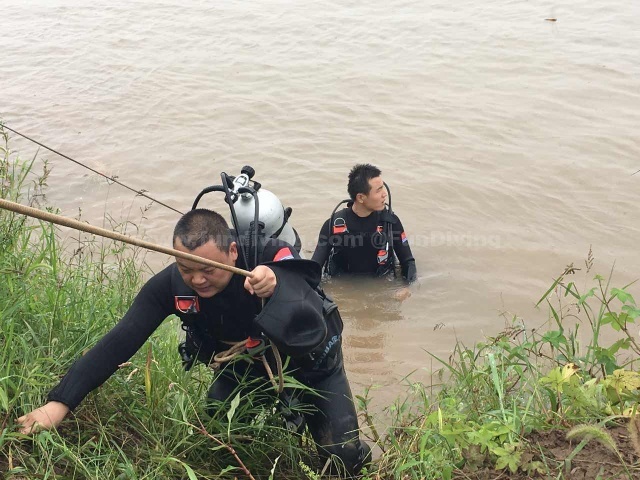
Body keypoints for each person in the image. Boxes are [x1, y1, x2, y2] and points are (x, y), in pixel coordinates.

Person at [17, 209, 370, 476]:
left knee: (342, 460)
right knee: (218, 430)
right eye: (187, 269)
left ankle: (356, 451)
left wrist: (276, 279)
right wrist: (59, 403)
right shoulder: (170, 287)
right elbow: (118, 342)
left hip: (314, 364)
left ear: (233, 252)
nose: (197, 280)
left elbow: (301, 276)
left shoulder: (267, 253)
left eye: (208, 269)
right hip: (246, 368)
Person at [312, 164, 417, 283]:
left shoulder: (390, 222)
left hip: (381, 280)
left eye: (383, 187)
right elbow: (314, 268)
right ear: (361, 197)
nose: (384, 194)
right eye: (378, 190)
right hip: (342, 281)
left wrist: (407, 287)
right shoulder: (334, 224)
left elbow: (408, 262)